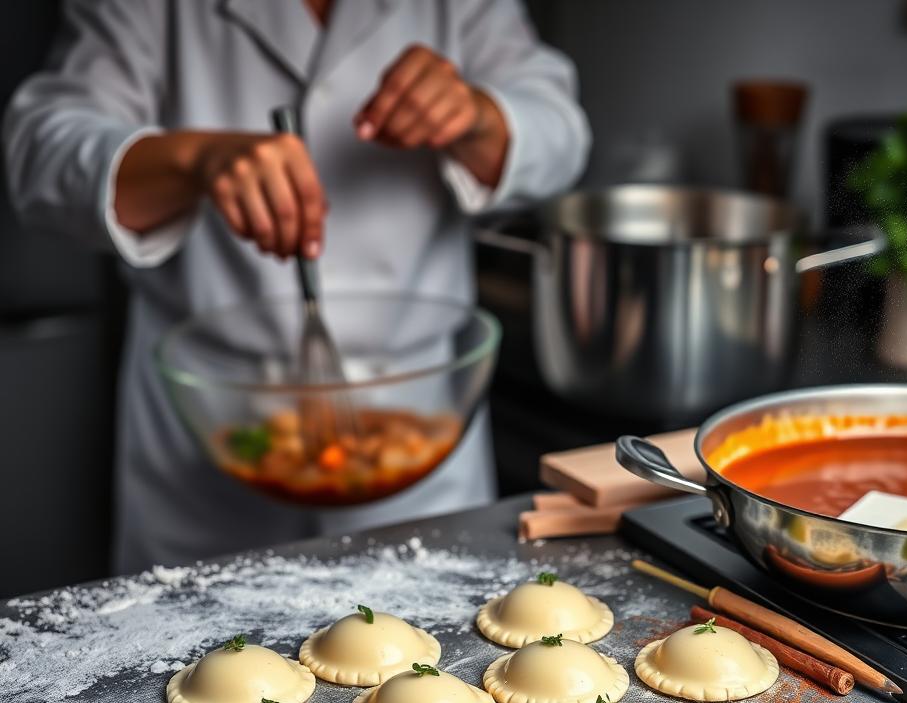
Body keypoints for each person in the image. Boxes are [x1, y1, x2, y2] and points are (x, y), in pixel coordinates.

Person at [3, 0, 590, 571]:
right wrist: (192, 158)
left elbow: (561, 130)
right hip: (211, 434)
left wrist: (478, 116)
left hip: (420, 432)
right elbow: (41, 151)